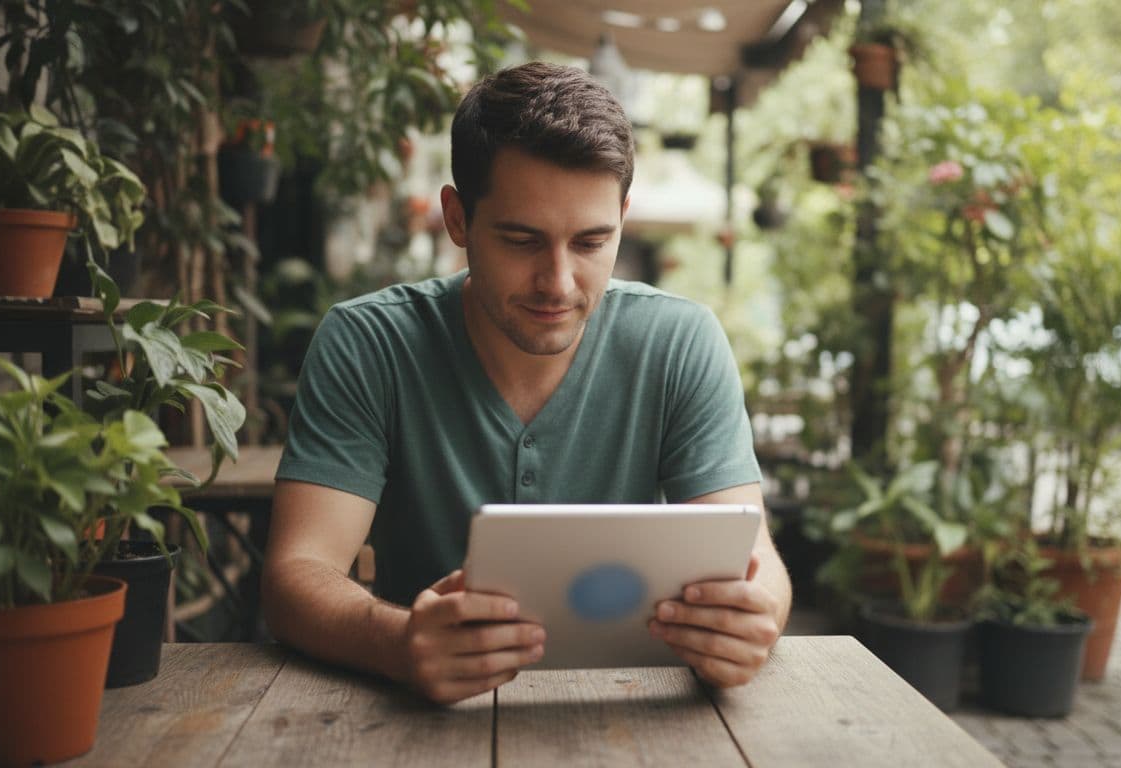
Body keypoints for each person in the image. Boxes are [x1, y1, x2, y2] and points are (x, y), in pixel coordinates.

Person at [262, 61, 792, 706]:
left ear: (623, 218)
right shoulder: (369, 343)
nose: (559, 283)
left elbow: (754, 560)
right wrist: (398, 642)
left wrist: (750, 622)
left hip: (637, 712)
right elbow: (297, 573)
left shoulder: (679, 343)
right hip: (419, 720)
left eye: (593, 242)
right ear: (457, 219)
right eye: (521, 240)